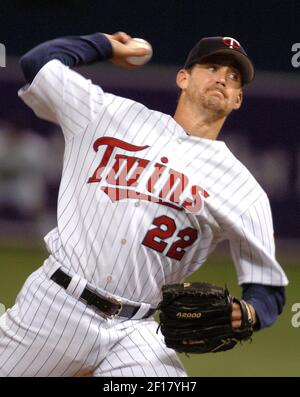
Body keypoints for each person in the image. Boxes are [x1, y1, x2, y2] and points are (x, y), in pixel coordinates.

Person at [0, 32, 288, 377]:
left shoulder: (243, 189)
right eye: (212, 67)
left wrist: (250, 313)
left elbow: (268, 289)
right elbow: (37, 64)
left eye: (233, 78)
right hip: (56, 304)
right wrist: (106, 44)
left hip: (136, 330)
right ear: (183, 78)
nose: (222, 79)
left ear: (238, 99)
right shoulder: (108, 113)